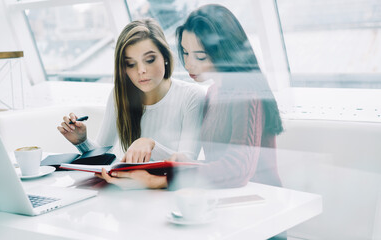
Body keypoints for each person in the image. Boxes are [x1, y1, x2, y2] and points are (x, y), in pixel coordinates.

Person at [96, 4, 283, 189]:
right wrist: (176, 161)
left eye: (200, 57)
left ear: (225, 52)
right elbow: (215, 164)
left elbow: (237, 169)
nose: (189, 64)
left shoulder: (245, 93)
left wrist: (159, 181)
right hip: (224, 197)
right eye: (185, 53)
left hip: (260, 199)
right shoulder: (213, 92)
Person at [58, 18, 205, 164]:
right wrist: (81, 141)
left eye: (149, 60)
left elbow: (188, 162)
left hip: (171, 186)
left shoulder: (191, 96)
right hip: (132, 184)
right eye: (131, 64)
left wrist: (150, 145)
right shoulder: (120, 96)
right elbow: (103, 155)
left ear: (165, 56)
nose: (141, 70)